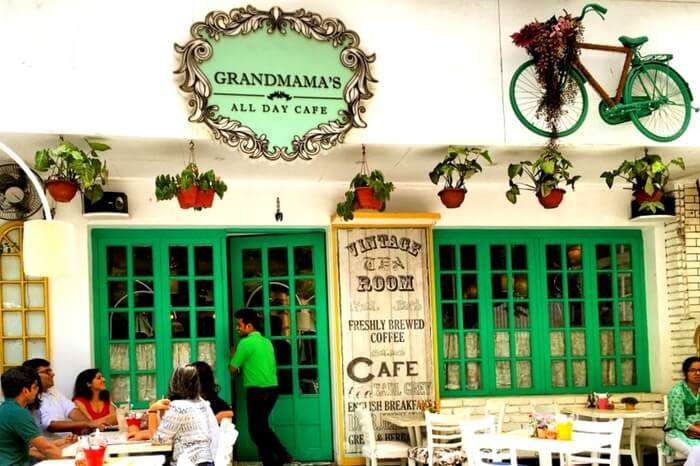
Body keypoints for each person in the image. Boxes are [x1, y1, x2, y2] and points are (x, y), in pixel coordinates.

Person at [230, 308, 291, 466]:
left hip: (257, 391)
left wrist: (232, 356)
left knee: (257, 430)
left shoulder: (244, 343)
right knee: (260, 429)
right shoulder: (267, 342)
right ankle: (274, 460)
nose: (237, 328)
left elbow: (233, 368)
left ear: (249, 326)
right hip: (272, 390)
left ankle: (282, 455)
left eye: (239, 325)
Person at [129, 366, 219, 466]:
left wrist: (152, 411)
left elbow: (157, 440)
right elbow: (171, 432)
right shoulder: (202, 403)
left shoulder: (180, 406)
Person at [0, 367, 71, 465]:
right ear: (25, 391)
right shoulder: (18, 413)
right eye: (35, 387)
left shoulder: (6, 408)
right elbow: (47, 449)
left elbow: (36, 446)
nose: (37, 390)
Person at [22, 358, 106, 436]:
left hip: (67, 440)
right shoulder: (31, 397)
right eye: (47, 371)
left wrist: (88, 426)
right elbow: (50, 425)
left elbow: (72, 410)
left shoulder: (53, 390)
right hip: (50, 445)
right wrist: (87, 424)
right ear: (34, 376)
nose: (53, 374)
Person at [665, 356, 700, 466]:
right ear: (685, 372)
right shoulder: (677, 391)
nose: (697, 373)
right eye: (692, 370)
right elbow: (680, 422)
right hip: (678, 433)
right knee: (698, 452)